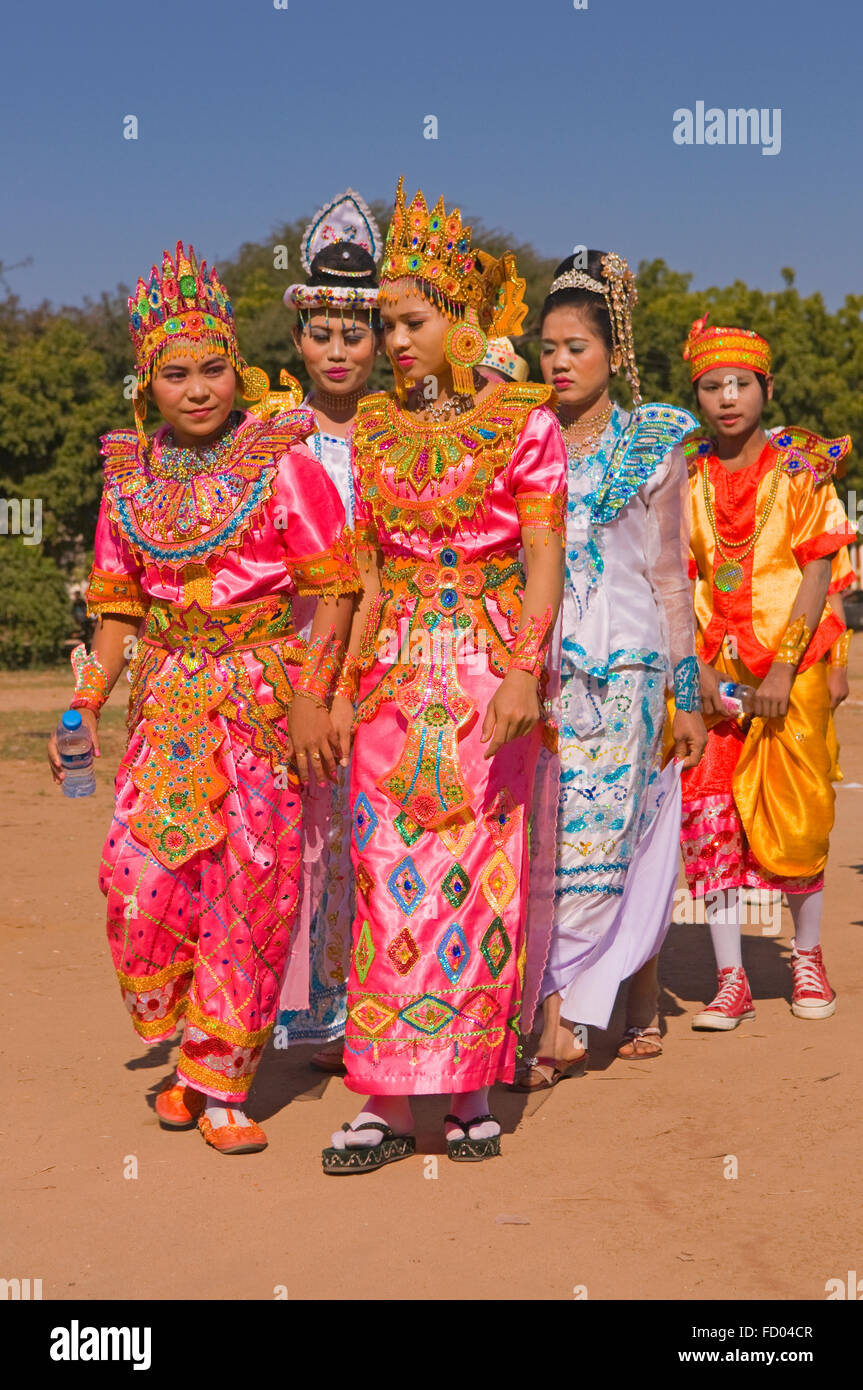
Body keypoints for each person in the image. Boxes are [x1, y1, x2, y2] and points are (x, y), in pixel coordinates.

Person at [47, 242, 358, 1153]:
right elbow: (116, 603)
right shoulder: (128, 475)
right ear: (149, 386)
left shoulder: (282, 459)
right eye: (176, 374)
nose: (198, 389)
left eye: (213, 369)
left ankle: (220, 1080)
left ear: (237, 369)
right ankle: (190, 1043)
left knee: (250, 888)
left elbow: (334, 584)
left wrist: (310, 695)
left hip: (260, 700)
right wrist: (89, 701)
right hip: (167, 703)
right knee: (138, 882)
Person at [320, 177, 567, 1173]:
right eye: (384, 325)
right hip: (389, 687)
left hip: (482, 677)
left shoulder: (525, 422)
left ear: (459, 319)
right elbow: (364, 574)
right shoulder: (372, 433)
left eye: (411, 320)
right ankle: (383, 1095)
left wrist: (520, 672)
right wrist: (336, 688)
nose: (394, 342)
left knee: (477, 882)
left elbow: (543, 557)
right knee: (387, 885)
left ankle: (464, 1087)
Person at [515, 251, 706, 1089]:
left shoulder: (653, 446)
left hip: (626, 668)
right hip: (538, 668)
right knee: (543, 846)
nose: (556, 362)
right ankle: (563, 1009)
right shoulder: (517, 444)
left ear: (612, 355)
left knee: (600, 839)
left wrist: (687, 696)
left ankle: (560, 1024)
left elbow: (670, 575)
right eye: (546, 347)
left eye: (574, 347)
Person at [679, 315, 856, 1028]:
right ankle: (730, 979)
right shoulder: (682, 473)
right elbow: (675, 571)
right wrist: (690, 667)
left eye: (740, 384)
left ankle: (805, 958)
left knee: (799, 815)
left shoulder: (799, 470)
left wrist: (787, 666)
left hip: (794, 663)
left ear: (766, 388)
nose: (727, 398)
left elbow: (818, 568)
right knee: (710, 813)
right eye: (712, 385)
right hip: (710, 668)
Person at [276, 190, 383, 1069]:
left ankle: (382, 1014)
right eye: (322, 334)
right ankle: (312, 1013)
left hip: (392, 665)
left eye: (356, 334)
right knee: (303, 837)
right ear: (297, 339)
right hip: (293, 669)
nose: (338, 351)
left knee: (381, 835)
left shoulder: (405, 434)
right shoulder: (266, 438)